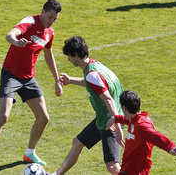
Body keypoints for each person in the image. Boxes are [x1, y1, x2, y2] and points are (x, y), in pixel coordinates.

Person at [0, 0, 62, 175]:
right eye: (50, 17)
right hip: (11, 75)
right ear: (43, 11)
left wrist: (56, 79)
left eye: (55, 19)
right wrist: (15, 41)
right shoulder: (30, 22)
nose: (51, 21)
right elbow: (10, 35)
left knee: (43, 117)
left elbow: (48, 54)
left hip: (29, 78)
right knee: (4, 116)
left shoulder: (49, 33)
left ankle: (30, 153)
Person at [51, 36, 125, 175]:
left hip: (111, 121)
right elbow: (95, 84)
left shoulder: (92, 74)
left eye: (69, 56)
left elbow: (108, 100)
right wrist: (71, 80)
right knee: (77, 142)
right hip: (104, 118)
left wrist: (118, 128)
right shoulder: (95, 66)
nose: (68, 59)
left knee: (113, 167)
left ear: (76, 55)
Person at [106, 90, 176, 175]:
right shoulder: (137, 120)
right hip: (129, 169)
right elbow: (129, 121)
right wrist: (116, 118)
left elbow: (156, 137)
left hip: (135, 171)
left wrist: (171, 147)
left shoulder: (141, 126)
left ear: (124, 108)